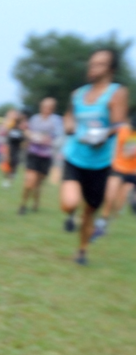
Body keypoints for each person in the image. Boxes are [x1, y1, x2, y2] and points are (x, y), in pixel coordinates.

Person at [60, 49, 130, 264]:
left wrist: (103, 134)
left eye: (99, 64)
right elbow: (69, 115)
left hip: (100, 162)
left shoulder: (117, 93)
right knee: (70, 202)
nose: (92, 68)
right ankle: (71, 214)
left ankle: (81, 251)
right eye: (91, 64)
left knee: (90, 210)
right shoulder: (78, 94)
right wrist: (69, 125)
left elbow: (121, 125)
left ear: (110, 69)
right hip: (75, 155)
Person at [19, 97, 62, 214]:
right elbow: (27, 131)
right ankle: (23, 205)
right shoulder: (35, 119)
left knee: (37, 183)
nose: (46, 109)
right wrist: (30, 135)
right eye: (44, 107)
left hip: (46, 155)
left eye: (49, 108)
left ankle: (35, 203)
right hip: (33, 152)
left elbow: (59, 136)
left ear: (53, 109)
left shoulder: (56, 120)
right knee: (29, 180)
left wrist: (49, 140)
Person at [103, 107, 136, 223]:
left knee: (121, 200)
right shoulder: (122, 130)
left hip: (132, 171)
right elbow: (128, 153)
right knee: (110, 196)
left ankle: (110, 218)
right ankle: (104, 219)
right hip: (118, 167)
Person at [0, 108, 27, 188]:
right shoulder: (11, 126)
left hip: (17, 148)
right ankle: (7, 178)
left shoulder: (22, 127)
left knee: (14, 163)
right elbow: (6, 135)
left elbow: (24, 139)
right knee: (6, 162)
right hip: (9, 146)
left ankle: (10, 179)